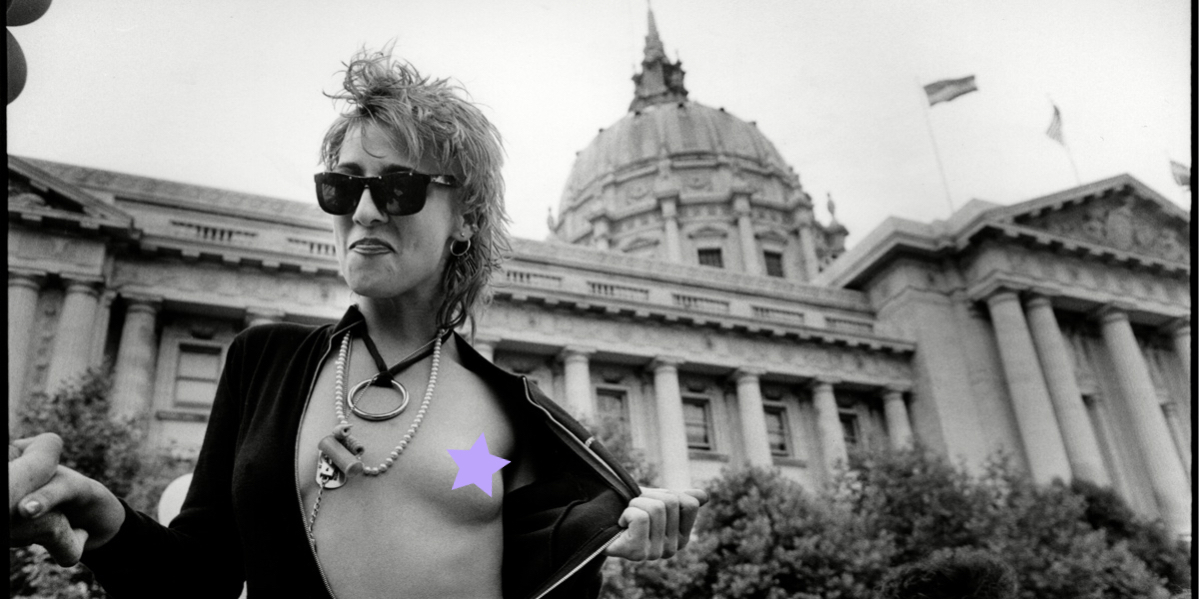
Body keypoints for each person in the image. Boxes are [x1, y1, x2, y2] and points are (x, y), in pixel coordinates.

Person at [9, 48, 706, 598]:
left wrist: (629, 537)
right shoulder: (264, 363)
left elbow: (553, 576)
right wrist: (101, 515)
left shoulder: (518, 418)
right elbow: (199, 580)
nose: (365, 212)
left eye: (399, 187)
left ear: (465, 216)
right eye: (343, 186)